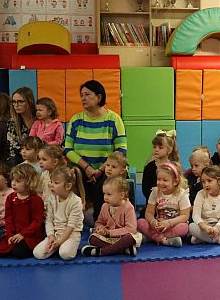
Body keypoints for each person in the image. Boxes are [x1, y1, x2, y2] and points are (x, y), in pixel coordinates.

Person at [64, 80, 127, 217]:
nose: (83, 98)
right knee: (66, 175)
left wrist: (100, 170)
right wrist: (87, 168)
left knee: (105, 184)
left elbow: (121, 150)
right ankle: (71, 217)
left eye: (87, 94)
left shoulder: (114, 119)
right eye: (81, 95)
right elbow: (68, 149)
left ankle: (102, 219)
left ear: (99, 97)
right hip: (82, 168)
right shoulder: (76, 120)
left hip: (107, 167)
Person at [34, 165, 85, 260]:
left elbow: (71, 226)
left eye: (56, 183)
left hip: (71, 235)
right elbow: (49, 220)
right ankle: (57, 246)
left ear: (68, 186)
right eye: (51, 182)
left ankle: (66, 245)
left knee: (65, 254)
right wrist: (51, 236)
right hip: (56, 234)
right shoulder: (52, 199)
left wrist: (60, 242)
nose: (51, 185)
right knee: (37, 253)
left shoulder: (76, 201)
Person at [81, 175, 141, 256]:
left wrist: (110, 232)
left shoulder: (128, 208)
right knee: (93, 238)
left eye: (109, 194)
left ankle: (101, 251)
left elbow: (131, 229)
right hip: (108, 238)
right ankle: (122, 249)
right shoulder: (105, 206)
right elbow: (99, 222)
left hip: (123, 237)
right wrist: (101, 228)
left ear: (121, 195)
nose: (105, 197)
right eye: (104, 194)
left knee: (130, 238)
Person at [0, 163, 45, 258]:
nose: (13, 183)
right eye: (13, 180)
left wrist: (23, 234)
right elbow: (9, 218)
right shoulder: (11, 198)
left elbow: (37, 221)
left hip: (30, 235)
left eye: (18, 181)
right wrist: (10, 235)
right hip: (15, 232)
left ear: (29, 182)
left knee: (19, 252)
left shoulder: (35, 199)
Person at [137, 161, 190, 247]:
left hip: (173, 225)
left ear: (175, 182)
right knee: (140, 222)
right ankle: (164, 240)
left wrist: (169, 223)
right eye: (159, 179)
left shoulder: (182, 194)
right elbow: (149, 212)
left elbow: (185, 216)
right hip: (158, 225)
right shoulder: (155, 192)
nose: (160, 183)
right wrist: (153, 221)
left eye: (165, 180)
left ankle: (152, 237)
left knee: (184, 228)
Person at [189, 165, 220, 245]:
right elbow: (196, 215)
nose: (206, 184)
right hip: (204, 226)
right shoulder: (200, 194)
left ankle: (202, 239)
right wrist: (205, 227)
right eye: (203, 182)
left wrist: (217, 228)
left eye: (209, 181)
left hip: (218, 226)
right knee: (191, 227)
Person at [142, 130, 181, 209]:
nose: (156, 150)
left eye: (160, 147)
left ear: (169, 150)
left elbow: (178, 186)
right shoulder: (149, 167)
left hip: (172, 204)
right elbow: (145, 188)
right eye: (154, 147)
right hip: (153, 204)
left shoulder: (174, 167)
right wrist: (155, 200)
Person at [6, 87, 36, 166]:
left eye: (20, 102)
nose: (16, 105)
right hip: (19, 160)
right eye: (14, 102)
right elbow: (13, 149)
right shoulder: (12, 122)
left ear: (29, 102)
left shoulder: (39, 119)